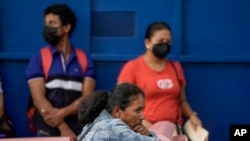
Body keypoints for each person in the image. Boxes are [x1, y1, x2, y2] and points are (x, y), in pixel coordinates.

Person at [117, 21, 202, 136]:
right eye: (160, 41)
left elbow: (182, 100)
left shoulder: (175, 67)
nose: (165, 45)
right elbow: (121, 104)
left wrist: (192, 116)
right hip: (144, 132)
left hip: (173, 130)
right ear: (148, 42)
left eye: (168, 42)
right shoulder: (132, 68)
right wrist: (145, 125)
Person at [25, 3, 96, 139]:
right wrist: (63, 128)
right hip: (47, 129)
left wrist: (61, 114)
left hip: (78, 130)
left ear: (66, 27)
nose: (47, 27)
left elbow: (87, 99)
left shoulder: (84, 59)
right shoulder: (39, 58)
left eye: (52, 23)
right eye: (46, 23)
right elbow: (38, 99)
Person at [77, 83, 160, 141]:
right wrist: (149, 135)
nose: (143, 116)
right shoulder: (112, 127)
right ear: (117, 111)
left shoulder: (99, 119)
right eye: (137, 110)